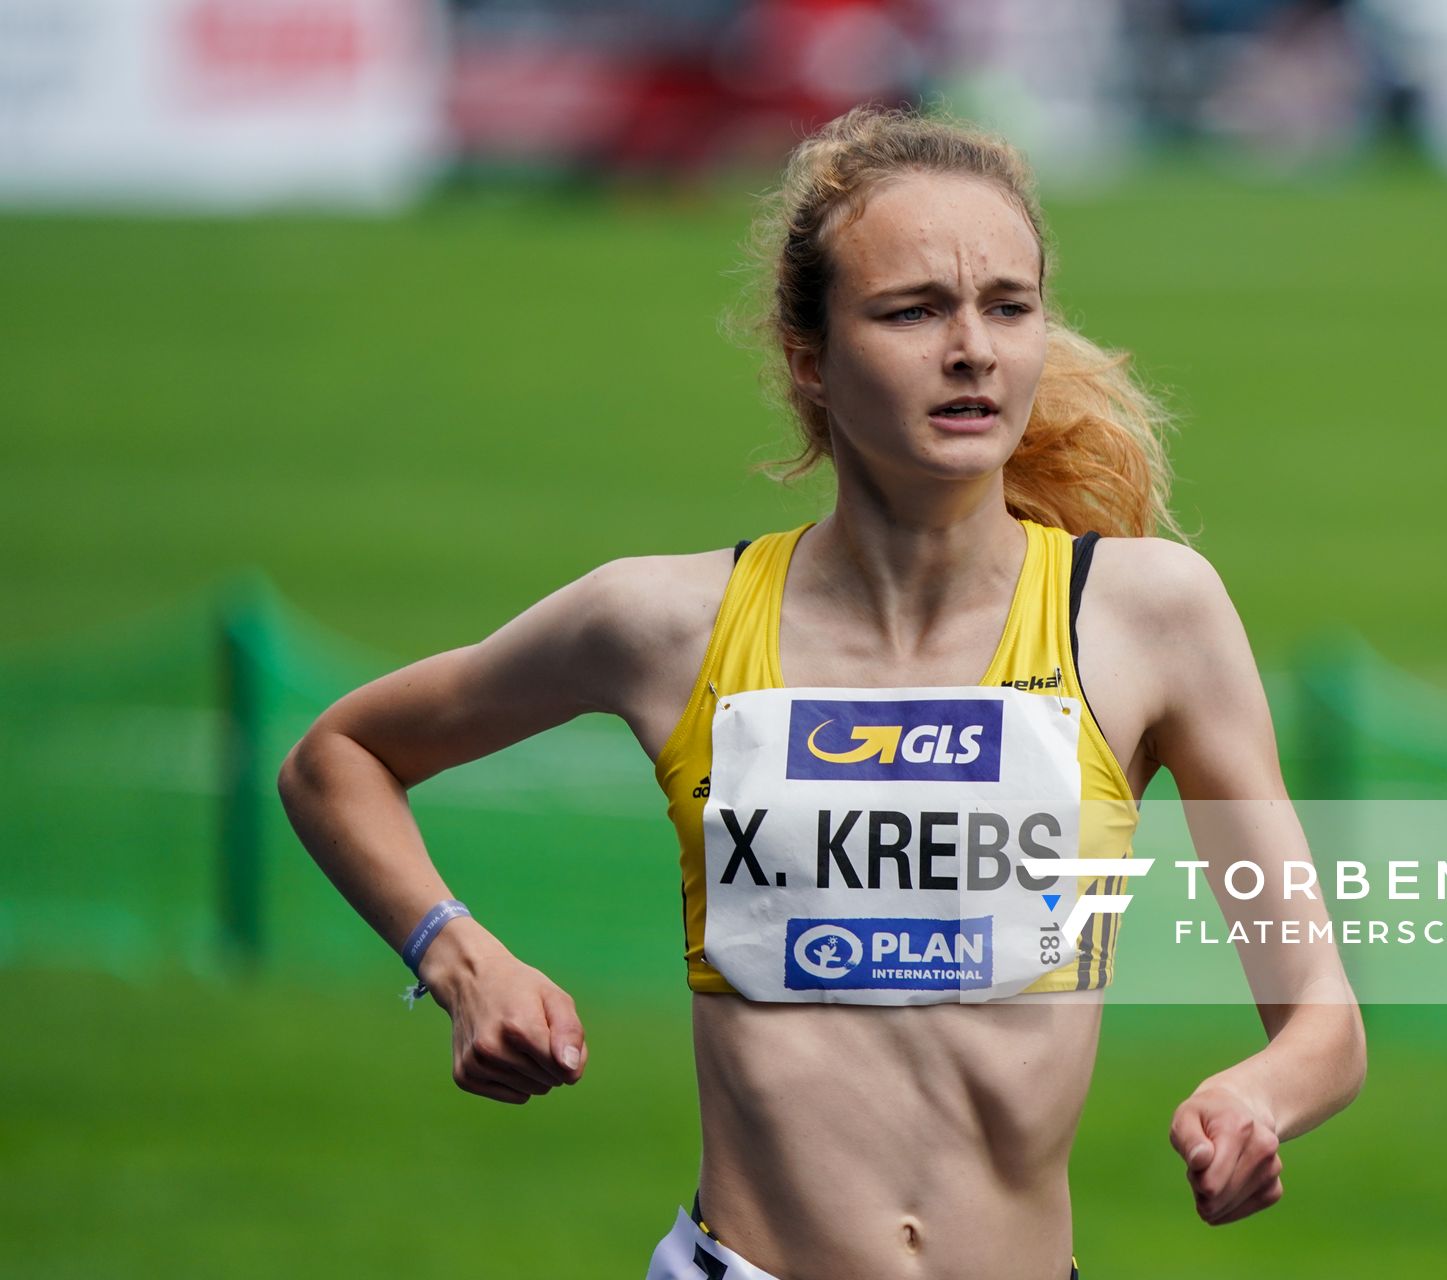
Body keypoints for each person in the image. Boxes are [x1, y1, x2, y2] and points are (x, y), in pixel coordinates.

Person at [278, 104, 1365, 1280]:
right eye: (913, 311)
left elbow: (1323, 1019)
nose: (972, 348)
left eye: (1009, 305)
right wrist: (461, 958)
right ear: (810, 355)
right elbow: (337, 758)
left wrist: (1259, 1096)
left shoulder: (1150, 617)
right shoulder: (665, 623)